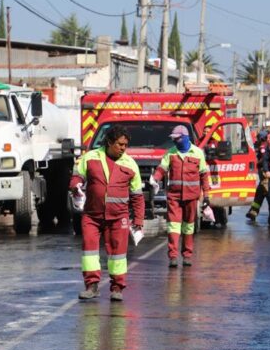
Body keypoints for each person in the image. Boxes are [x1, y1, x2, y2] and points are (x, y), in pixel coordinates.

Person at [70, 125, 145, 301]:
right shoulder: (90, 158)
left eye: (126, 145)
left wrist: (139, 220)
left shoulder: (130, 163)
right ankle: (92, 286)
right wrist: (76, 186)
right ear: (109, 142)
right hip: (92, 216)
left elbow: (137, 196)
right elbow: (76, 177)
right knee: (89, 252)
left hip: (119, 218)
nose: (123, 148)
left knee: (118, 254)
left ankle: (117, 288)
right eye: (120, 144)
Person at [151, 125, 210, 267]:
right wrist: (155, 179)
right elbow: (162, 168)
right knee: (173, 226)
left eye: (177, 139)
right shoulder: (170, 153)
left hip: (191, 197)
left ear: (185, 137)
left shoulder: (197, 153)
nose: (175, 141)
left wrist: (206, 196)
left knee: (189, 227)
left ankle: (187, 255)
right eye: (174, 139)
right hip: (174, 197)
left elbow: (204, 175)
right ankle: (172, 256)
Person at [246, 129, 270, 222]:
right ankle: (253, 212)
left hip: (264, 171)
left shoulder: (263, 146)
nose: (257, 138)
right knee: (261, 191)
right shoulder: (261, 145)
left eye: (258, 137)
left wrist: (256, 162)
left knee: (267, 191)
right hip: (262, 171)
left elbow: (263, 158)